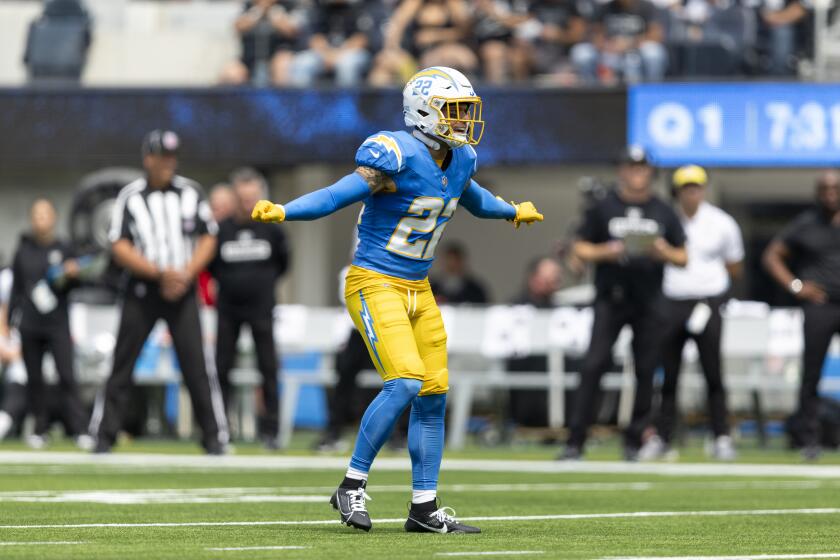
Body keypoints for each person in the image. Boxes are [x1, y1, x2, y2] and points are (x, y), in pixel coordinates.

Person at [252, 66, 544, 533]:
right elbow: (335, 195)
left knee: (433, 395)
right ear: (425, 111)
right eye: (455, 110)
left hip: (419, 288)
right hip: (375, 282)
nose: (464, 120)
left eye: (467, 111)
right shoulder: (394, 152)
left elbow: (473, 197)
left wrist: (511, 211)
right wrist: (287, 210)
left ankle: (424, 508)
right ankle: (351, 484)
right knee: (406, 381)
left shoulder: (461, 157)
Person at [89, 130, 229, 455]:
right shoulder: (131, 195)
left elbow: (209, 237)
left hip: (183, 288)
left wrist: (186, 273)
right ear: (147, 158)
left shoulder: (191, 192)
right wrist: (158, 273)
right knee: (122, 363)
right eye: (161, 156)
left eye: (171, 156)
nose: (168, 163)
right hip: (142, 289)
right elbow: (119, 244)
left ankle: (214, 436)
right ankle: (103, 435)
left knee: (197, 365)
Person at [561, 145, 686, 461]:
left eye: (642, 168)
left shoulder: (663, 210)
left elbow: (683, 255)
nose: (636, 173)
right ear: (621, 171)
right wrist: (609, 251)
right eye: (631, 167)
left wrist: (661, 252)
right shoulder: (603, 207)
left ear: (650, 172)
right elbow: (578, 248)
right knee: (593, 366)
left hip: (649, 300)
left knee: (645, 370)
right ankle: (575, 440)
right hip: (610, 298)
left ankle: (635, 440)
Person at [638, 165, 743, 462]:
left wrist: (713, 289)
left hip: (708, 301)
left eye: (696, 186)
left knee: (713, 372)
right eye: (686, 187)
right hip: (672, 298)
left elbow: (735, 265)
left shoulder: (722, 223)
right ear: (677, 190)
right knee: (669, 374)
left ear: (704, 189)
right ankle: (662, 436)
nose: (691, 192)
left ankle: (721, 435)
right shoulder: (666, 218)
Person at [209, 168, 289, 448]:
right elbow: (212, 266)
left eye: (252, 198)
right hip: (228, 309)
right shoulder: (222, 230)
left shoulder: (272, 230)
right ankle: (220, 429)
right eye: (242, 198)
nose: (247, 203)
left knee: (268, 367)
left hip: (262, 308)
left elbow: (283, 263)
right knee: (221, 368)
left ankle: (271, 431)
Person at [763, 171, 840, 461]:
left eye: (836, 187)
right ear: (818, 192)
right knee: (811, 374)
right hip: (820, 306)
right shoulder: (806, 223)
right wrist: (796, 286)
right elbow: (771, 256)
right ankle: (809, 439)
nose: (831, 192)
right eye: (825, 188)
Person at [9, 199, 92, 450]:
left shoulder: (65, 248)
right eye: (36, 215)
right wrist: (10, 322)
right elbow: (16, 289)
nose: (41, 219)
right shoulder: (23, 250)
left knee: (67, 376)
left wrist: (72, 274)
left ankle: (80, 430)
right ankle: (39, 429)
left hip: (57, 324)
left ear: (53, 217)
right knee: (35, 379)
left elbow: (80, 283)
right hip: (30, 326)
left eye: (45, 214)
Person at [571, 0, 668, 83]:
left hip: (636, 51)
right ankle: (591, 93)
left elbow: (656, 35)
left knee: (652, 52)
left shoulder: (646, 6)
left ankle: (651, 92)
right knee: (582, 52)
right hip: (610, 51)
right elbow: (595, 35)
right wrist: (609, 46)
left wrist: (629, 44)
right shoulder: (605, 8)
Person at [220, 0, 309, 86]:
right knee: (231, 73)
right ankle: (240, 101)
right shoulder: (248, 6)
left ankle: (281, 100)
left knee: (282, 67)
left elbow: (291, 30)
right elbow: (238, 26)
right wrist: (256, 13)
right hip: (249, 57)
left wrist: (273, 14)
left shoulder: (288, 5)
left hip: (278, 54)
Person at [291, 0, 377, 87]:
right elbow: (314, 38)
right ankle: (303, 100)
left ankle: (346, 100)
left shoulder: (359, 7)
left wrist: (338, 55)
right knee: (302, 62)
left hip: (352, 52)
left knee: (346, 64)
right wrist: (327, 54)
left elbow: (362, 39)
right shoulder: (319, 8)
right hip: (325, 53)